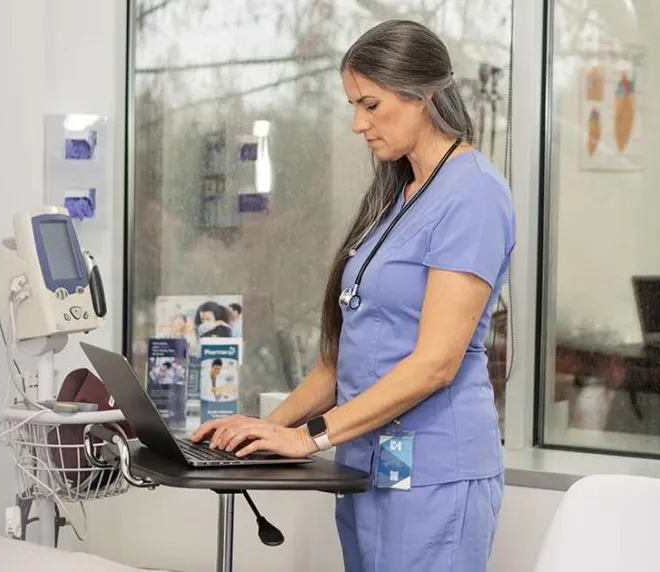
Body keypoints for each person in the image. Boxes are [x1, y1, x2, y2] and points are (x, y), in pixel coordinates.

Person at [191, 19, 515, 571]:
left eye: (370, 105)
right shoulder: (402, 193)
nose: (357, 124)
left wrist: (307, 438)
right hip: (369, 462)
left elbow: (436, 364)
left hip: (435, 469)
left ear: (424, 96)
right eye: (353, 105)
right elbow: (345, 358)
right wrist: (273, 428)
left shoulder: (474, 194)